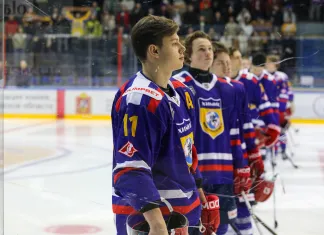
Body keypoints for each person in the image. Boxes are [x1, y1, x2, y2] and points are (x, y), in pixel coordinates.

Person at [111, 15, 217, 235]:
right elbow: (131, 168)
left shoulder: (183, 93)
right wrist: (157, 225)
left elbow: (187, 151)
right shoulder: (139, 100)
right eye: (174, 42)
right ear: (154, 51)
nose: (182, 48)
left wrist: (199, 195)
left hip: (183, 217)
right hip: (154, 223)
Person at [174, 31, 250, 235]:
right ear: (188, 55)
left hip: (222, 175)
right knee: (193, 229)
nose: (208, 53)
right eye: (201, 49)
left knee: (221, 227)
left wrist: (242, 166)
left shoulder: (228, 88)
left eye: (209, 49)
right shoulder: (178, 85)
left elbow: (234, 133)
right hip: (192, 177)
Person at [210, 42, 264, 235]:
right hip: (215, 168)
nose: (231, 65)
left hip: (235, 160)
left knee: (238, 209)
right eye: (223, 62)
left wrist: (252, 156)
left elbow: (246, 125)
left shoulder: (239, 86)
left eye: (231, 61)